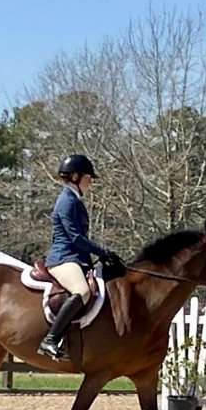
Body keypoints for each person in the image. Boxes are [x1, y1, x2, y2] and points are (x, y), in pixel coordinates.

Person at [37, 154, 123, 360]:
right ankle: (50, 339)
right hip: (64, 257)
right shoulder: (67, 201)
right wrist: (103, 251)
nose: (90, 182)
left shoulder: (74, 200)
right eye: (88, 177)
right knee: (82, 291)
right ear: (75, 176)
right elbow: (76, 238)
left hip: (75, 257)